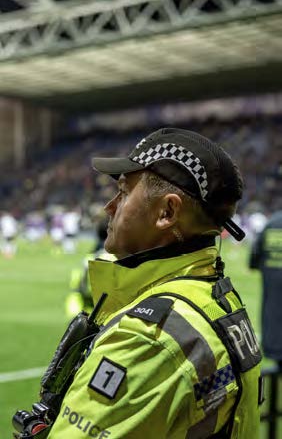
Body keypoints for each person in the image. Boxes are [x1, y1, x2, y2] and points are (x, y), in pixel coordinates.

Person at [32, 128, 264, 438]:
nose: (109, 207)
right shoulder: (218, 297)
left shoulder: (148, 338)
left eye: (125, 192)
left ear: (167, 212)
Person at [249, 210, 282, 369]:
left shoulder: (271, 223)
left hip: (271, 278)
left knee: (272, 312)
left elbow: (255, 254)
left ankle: (274, 350)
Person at [66, 217, 115, 318]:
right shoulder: (119, 258)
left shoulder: (90, 258)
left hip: (87, 313)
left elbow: (78, 289)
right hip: (109, 316)